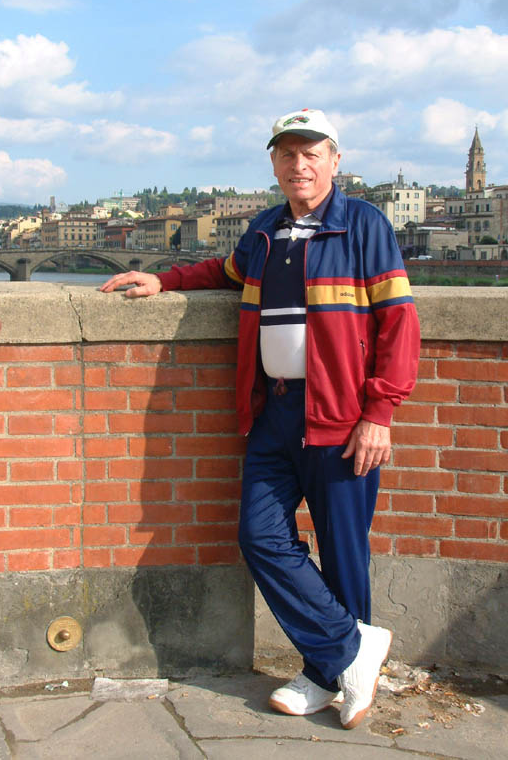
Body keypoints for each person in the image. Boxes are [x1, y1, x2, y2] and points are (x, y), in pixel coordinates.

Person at [99, 108, 420, 730]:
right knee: (260, 536)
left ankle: (326, 675)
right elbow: (224, 272)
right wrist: (164, 280)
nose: (299, 165)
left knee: (343, 551)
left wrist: (379, 412)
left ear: (334, 160)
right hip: (274, 410)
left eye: (311, 154)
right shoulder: (265, 230)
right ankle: (351, 652)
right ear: (273, 163)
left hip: (341, 413)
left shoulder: (364, 224)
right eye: (287, 154)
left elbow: (399, 323)